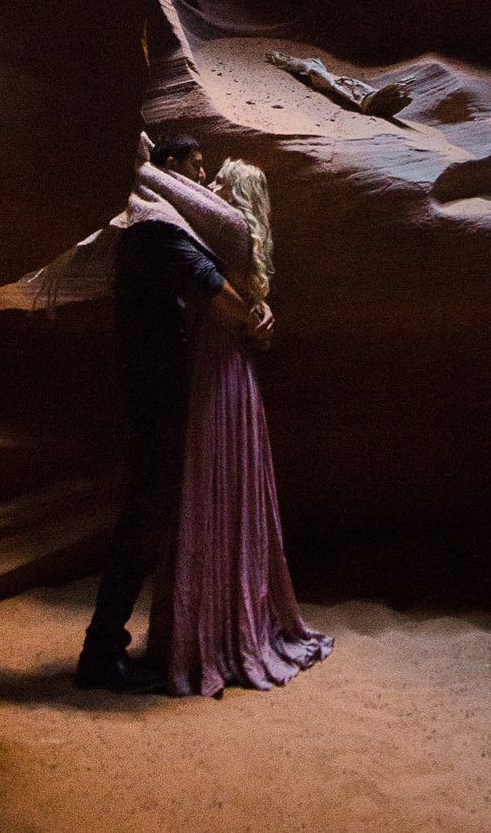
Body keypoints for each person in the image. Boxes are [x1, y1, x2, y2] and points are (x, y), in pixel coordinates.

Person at [76, 135, 331, 696]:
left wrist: (255, 308)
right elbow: (211, 286)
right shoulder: (156, 228)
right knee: (146, 517)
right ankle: (102, 652)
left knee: (161, 514)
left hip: (171, 387)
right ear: (169, 172)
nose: (205, 181)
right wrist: (253, 315)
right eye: (197, 169)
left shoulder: (168, 226)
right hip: (161, 392)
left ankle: (141, 642)